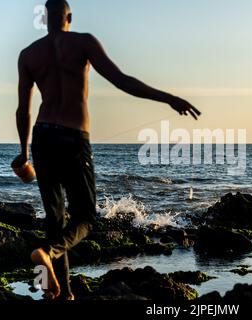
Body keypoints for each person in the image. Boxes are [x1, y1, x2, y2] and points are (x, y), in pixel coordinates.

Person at [15, 0, 201, 300]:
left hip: (42, 136)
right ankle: (46, 253)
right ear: (69, 17)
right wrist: (168, 98)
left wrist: (24, 154)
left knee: (54, 219)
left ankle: (62, 294)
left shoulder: (28, 54)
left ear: (43, 17)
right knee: (86, 218)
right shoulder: (83, 42)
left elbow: (23, 111)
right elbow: (121, 80)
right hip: (72, 137)